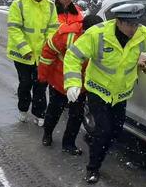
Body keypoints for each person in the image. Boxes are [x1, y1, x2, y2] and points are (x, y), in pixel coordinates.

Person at [64, 3, 146, 184]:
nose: (134, 28)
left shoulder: (141, 33)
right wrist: (72, 83)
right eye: (130, 25)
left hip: (121, 94)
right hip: (98, 90)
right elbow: (73, 55)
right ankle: (92, 168)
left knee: (115, 130)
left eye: (136, 24)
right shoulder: (98, 34)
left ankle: (99, 146)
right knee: (103, 130)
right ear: (118, 22)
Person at [38, 14, 103, 154]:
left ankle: (68, 144)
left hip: (81, 84)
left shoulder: (104, 38)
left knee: (76, 115)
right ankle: (47, 135)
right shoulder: (67, 35)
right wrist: (42, 75)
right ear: (84, 30)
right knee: (54, 111)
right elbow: (48, 51)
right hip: (60, 80)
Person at [7, 0, 59, 125]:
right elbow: (14, 29)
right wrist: (25, 49)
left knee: (41, 84)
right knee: (25, 83)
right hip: (23, 54)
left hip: (42, 55)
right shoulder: (19, 4)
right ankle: (23, 109)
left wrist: (47, 47)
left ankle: (39, 113)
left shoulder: (50, 6)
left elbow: (53, 27)